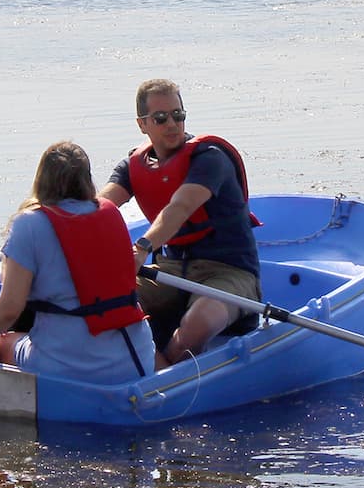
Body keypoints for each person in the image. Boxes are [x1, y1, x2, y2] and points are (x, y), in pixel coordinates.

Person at [0, 141, 157, 380]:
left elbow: (8, 310)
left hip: (69, 368)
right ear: (87, 180)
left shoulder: (28, 224)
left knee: (4, 341)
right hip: (136, 359)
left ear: (41, 180)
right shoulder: (109, 211)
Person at [99, 79, 260, 368]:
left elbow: (181, 207)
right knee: (107, 299)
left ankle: (166, 379)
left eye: (178, 115)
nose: (172, 124)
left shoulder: (209, 158)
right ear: (142, 124)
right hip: (171, 270)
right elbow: (100, 206)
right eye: (161, 118)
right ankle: (154, 367)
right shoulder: (132, 166)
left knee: (198, 322)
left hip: (228, 272)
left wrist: (142, 247)